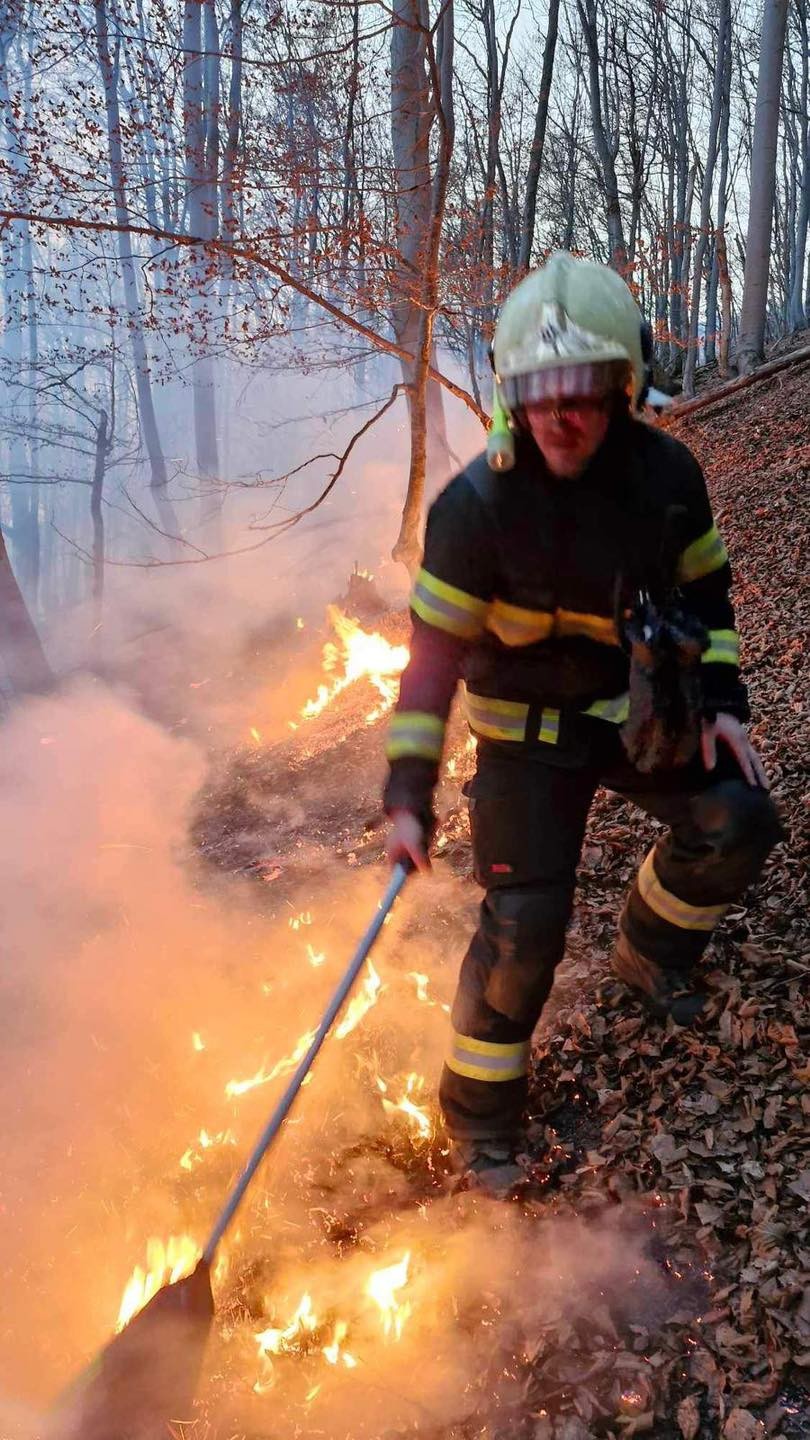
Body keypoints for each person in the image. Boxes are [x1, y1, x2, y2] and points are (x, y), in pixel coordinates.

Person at [382, 252, 782, 1197]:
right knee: (523, 931)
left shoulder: (669, 478)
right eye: (542, 394)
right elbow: (429, 666)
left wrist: (721, 709)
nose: (564, 417)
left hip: (635, 710)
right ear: (513, 399)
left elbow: (709, 594)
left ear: (626, 388)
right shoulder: (472, 510)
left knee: (739, 821)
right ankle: (480, 1118)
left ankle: (649, 951)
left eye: (587, 393)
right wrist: (408, 795)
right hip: (525, 735)